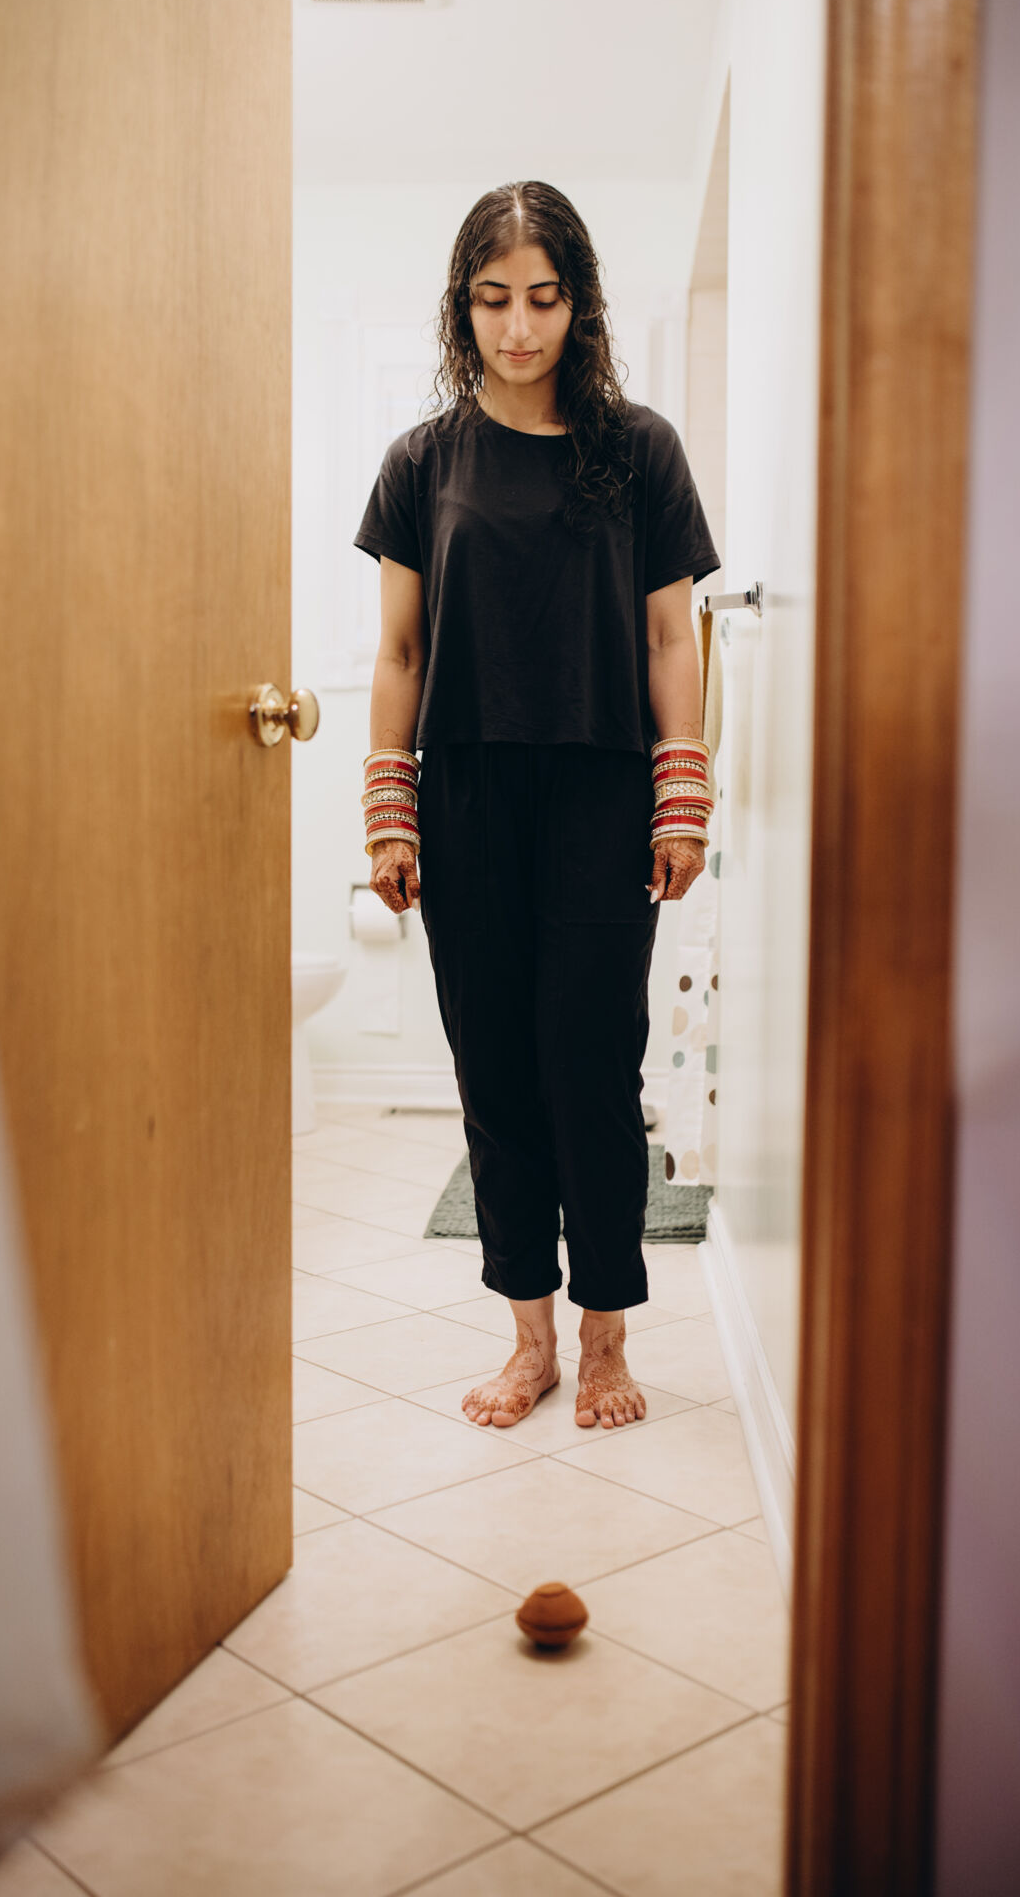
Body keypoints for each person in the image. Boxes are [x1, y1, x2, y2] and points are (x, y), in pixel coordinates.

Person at [354, 181, 719, 1432]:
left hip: (601, 791)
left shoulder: (640, 449)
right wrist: (388, 812)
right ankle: (529, 1341)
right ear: (462, 307)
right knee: (496, 1076)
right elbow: (399, 653)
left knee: (590, 1069)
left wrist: (681, 797)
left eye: (543, 299)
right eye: (494, 299)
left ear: (579, 305)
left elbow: (669, 637)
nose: (518, 328)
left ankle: (606, 1337)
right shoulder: (421, 464)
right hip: (464, 795)